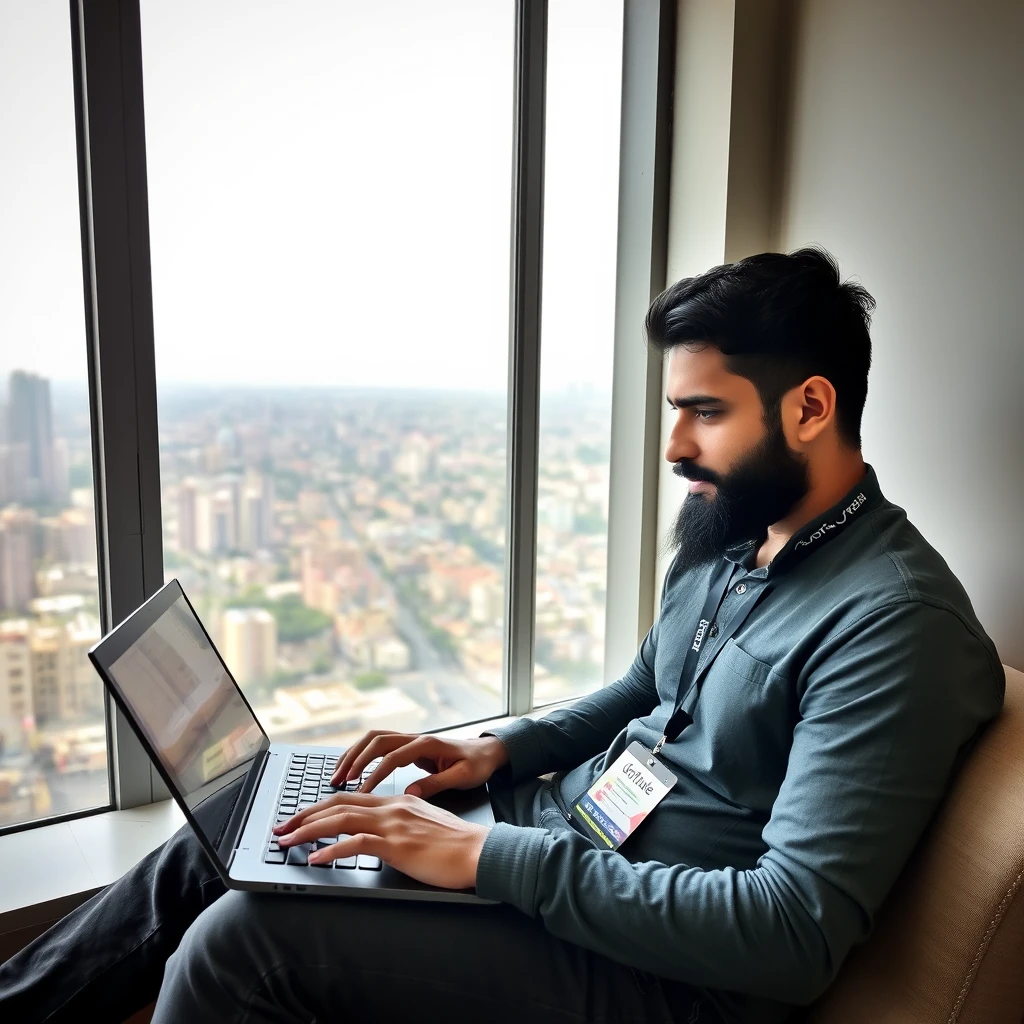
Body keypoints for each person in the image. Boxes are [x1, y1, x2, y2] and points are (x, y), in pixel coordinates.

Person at [0, 248, 1004, 1024]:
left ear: (811, 407)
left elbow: (789, 933)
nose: (673, 447)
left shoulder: (891, 624)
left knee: (244, 939)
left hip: (660, 973)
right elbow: (647, 685)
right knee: (232, 839)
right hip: (548, 843)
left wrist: (481, 862)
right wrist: (499, 751)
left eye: (705, 412)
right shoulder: (735, 529)